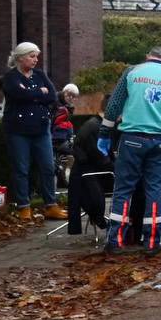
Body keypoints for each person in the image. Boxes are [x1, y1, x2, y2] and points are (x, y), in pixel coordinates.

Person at [98, 47, 161, 254]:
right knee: (155, 190)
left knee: (123, 190)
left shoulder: (132, 72)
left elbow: (114, 105)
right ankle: (152, 242)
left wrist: (104, 133)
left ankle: (115, 240)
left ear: (147, 57)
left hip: (132, 139)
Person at [0, 42, 69, 221]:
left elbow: (52, 96)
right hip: (17, 130)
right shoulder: (10, 77)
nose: (35, 60)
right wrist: (39, 92)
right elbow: (17, 94)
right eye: (32, 56)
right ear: (21, 57)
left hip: (41, 129)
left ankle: (51, 205)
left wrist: (32, 93)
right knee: (21, 168)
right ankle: (24, 206)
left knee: (48, 167)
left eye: (36, 56)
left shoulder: (39, 75)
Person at [67, 98, 112, 235]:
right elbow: (101, 159)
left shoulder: (94, 124)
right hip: (89, 177)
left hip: (86, 175)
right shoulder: (96, 128)